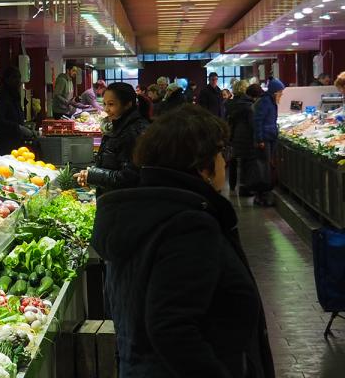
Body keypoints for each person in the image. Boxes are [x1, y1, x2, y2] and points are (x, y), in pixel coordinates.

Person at [91, 105, 275, 378]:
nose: (225, 161)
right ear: (202, 165)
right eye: (221, 153)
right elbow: (172, 328)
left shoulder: (141, 211)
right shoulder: (187, 225)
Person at [74, 82, 149, 196]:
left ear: (128, 104)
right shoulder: (119, 125)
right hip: (114, 199)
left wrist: (93, 175)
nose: (106, 109)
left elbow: (130, 177)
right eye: (104, 104)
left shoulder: (133, 132)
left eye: (111, 104)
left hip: (125, 203)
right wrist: (90, 176)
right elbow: (113, 164)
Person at [252, 78, 285, 207]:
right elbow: (258, 121)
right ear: (274, 92)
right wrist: (259, 139)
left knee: (266, 167)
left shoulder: (270, 102)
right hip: (265, 139)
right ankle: (261, 196)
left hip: (270, 137)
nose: (281, 95)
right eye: (280, 92)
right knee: (263, 168)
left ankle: (263, 194)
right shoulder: (265, 102)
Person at [0, 67, 35, 155]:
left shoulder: (15, 95)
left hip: (16, 141)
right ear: (6, 80)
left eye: (19, 78)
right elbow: (0, 121)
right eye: (14, 77)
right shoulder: (2, 96)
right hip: (5, 143)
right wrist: (19, 128)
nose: (18, 81)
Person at [225, 80, 254, 196]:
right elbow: (251, 122)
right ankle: (244, 187)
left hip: (232, 134)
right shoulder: (248, 104)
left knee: (232, 160)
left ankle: (232, 185)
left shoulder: (228, 103)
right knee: (245, 162)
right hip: (245, 135)